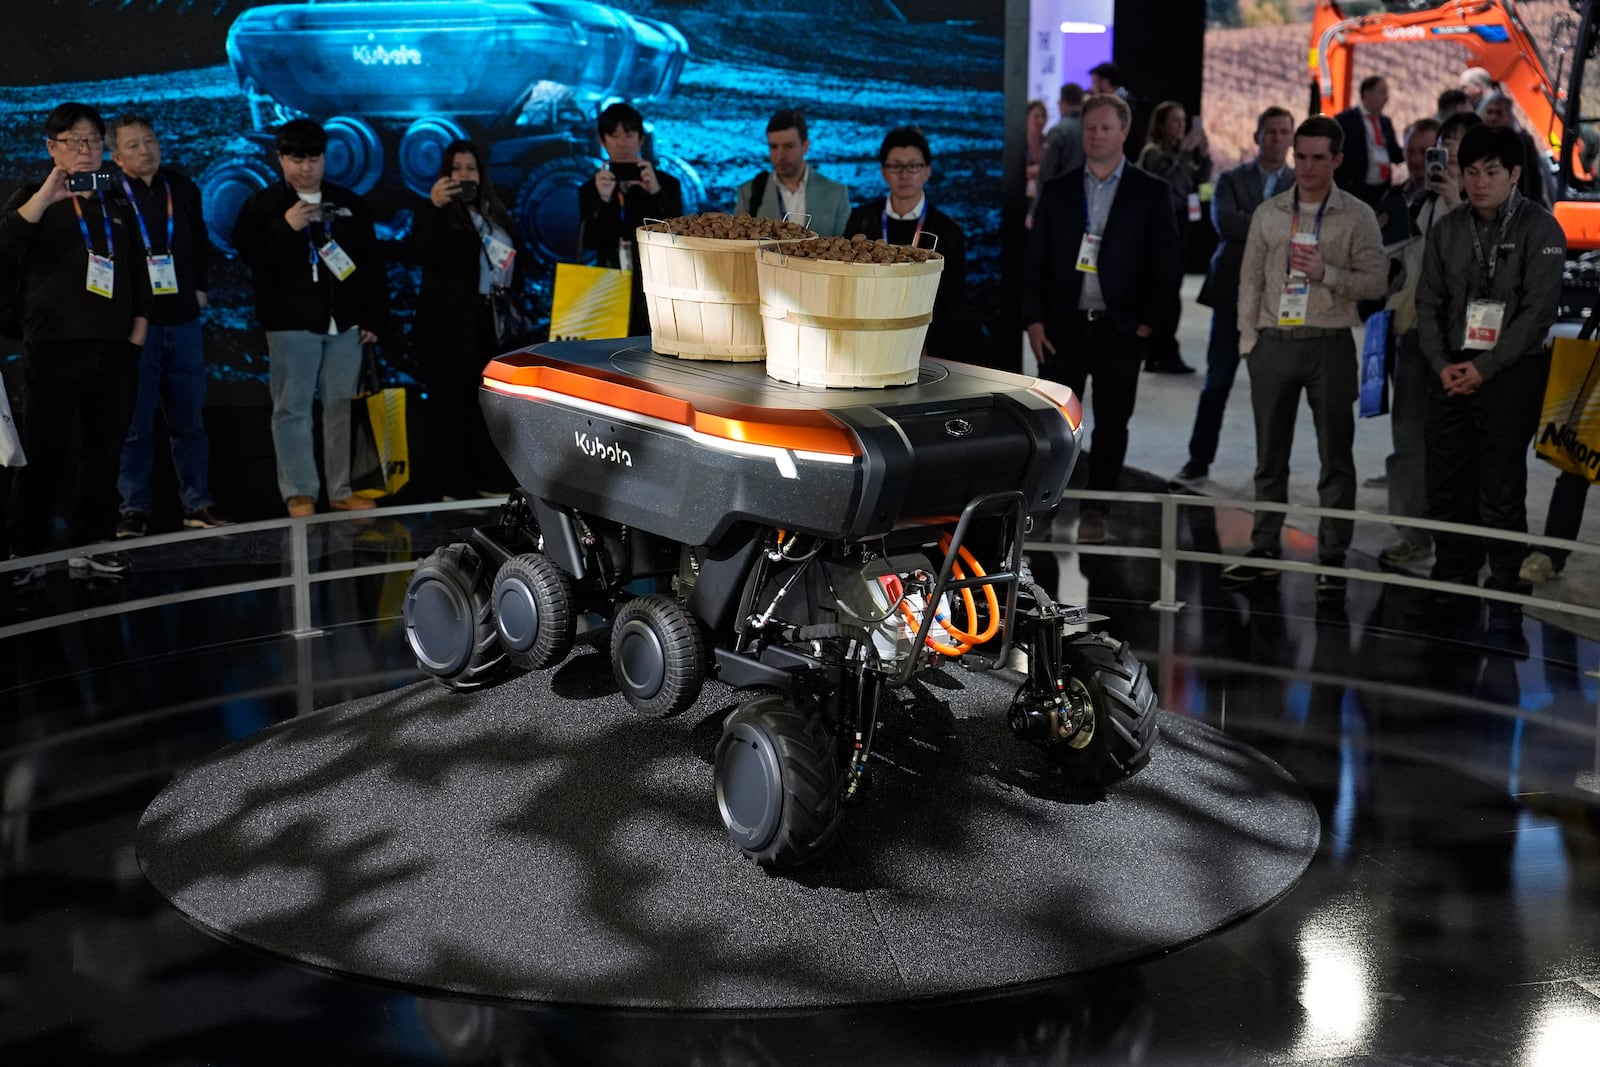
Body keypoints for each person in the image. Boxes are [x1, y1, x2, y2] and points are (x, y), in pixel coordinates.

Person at [1221, 115, 1388, 601]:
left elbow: (1376, 281)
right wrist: (1248, 342)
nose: (1308, 167)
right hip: (1273, 342)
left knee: (1335, 457)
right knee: (1268, 457)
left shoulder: (1356, 215)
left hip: (1330, 343)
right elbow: (1249, 279)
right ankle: (1264, 547)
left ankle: (1333, 555)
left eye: (1319, 158)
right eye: (1301, 157)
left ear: (1336, 159)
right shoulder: (1270, 212)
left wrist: (1328, 273)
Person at [1415, 124, 1566, 628]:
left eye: (1492, 172)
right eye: (1471, 172)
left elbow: (1536, 316)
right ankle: (1454, 570)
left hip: (1510, 372)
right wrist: (1442, 366)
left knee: (1500, 483)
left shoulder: (1541, 230)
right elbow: (1428, 303)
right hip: (1450, 369)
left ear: (1515, 174)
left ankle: (1505, 579)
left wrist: (1482, 368)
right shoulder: (1448, 229)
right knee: (1446, 478)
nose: (1479, 182)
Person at [1023, 92, 1181, 545]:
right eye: (1090, 128)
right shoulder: (1058, 189)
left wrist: (1148, 324)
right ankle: (1047, 507)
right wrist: (1033, 320)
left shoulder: (1150, 192)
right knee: (1054, 426)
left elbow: (1166, 265)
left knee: (1113, 426)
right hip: (1062, 328)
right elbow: (1035, 260)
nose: (1095, 136)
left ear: (1125, 132)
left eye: (1105, 128)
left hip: (1121, 329)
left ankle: (1098, 510)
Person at [1, 102, 148, 585]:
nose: (86, 151)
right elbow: (5, 244)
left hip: (113, 347)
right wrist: (44, 198)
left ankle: (94, 543)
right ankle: (26, 549)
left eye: (93, 142)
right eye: (74, 142)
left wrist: (141, 320)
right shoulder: (32, 196)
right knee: (42, 452)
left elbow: (136, 264)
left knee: (104, 452)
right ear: (52, 148)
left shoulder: (117, 197)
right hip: (54, 345)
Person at [231, 118, 388, 518]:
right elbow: (249, 253)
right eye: (296, 158)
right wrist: (286, 227)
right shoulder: (264, 204)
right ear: (280, 158)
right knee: (292, 409)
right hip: (290, 326)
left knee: (341, 407)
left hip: (345, 325)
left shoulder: (348, 203)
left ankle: (341, 488)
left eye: (313, 158)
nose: (306, 167)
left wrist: (373, 317)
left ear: (324, 157)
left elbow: (371, 265)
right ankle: (299, 492)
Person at [106, 114, 229, 539]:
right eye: (134, 145)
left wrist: (200, 289)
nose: (146, 150)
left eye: (151, 141)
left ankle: (198, 503)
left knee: (189, 420)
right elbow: (70, 184)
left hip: (183, 321)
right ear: (116, 155)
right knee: (135, 425)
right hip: (134, 328)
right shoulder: (106, 189)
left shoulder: (182, 186)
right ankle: (134, 508)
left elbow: (199, 241)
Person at [1374, 113, 1476, 567]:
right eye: (1444, 145)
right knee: (1409, 439)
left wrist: (1456, 199)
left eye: (1460, 146)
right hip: (1413, 335)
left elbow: (1478, 266)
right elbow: (1398, 267)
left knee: (1461, 445)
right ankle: (1414, 534)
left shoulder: (1492, 205)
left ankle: (1462, 544)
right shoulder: (1419, 201)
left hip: (1462, 345)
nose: (1449, 154)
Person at [1177, 106, 1295, 484]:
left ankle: (1271, 469)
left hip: (1278, 300)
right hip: (1230, 296)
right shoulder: (1230, 178)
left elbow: (1300, 232)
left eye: (1283, 132)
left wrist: (1255, 222)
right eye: (1270, 132)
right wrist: (1276, 226)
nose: (1276, 139)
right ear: (1257, 136)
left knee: (1273, 392)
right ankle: (1199, 459)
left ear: (1290, 138)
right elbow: (1225, 224)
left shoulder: (1300, 184)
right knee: (1217, 383)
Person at [412, 139, 526, 500]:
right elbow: (423, 254)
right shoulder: (436, 212)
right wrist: (435, 206)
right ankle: (454, 484)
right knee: (455, 406)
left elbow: (514, 261)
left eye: (470, 168)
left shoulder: (494, 211)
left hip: (494, 321)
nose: (464, 175)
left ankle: (486, 477)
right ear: (446, 173)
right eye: (457, 168)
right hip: (451, 325)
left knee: (488, 407)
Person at [844, 126, 968, 362]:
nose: (904, 174)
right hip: (868, 340)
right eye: (895, 166)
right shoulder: (861, 221)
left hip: (928, 346)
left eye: (913, 166)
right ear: (883, 172)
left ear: (927, 171)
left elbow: (955, 303)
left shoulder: (948, 230)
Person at [578, 101, 683, 337]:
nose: (622, 142)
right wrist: (602, 200)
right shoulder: (589, 188)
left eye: (629, 134)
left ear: (641, 139)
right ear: (602, 141)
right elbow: (591, 241)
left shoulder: (666, 184)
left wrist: (655, 192)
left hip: (656, 288)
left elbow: (680, 237)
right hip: (606, 287)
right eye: (613, 135)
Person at [1136, 100, 1211, 375]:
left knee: (1172, 288)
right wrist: (1184, 156)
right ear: (1162, 125)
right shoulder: (1153, 152)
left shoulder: (1183, 152)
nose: (1180, 127)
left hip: (1182, 221)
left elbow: (1199, 182)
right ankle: (1160, 349)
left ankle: (1162, 349)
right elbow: (1160, 182)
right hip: (1161, 223)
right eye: (1175, 122)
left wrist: (1203, 155)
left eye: (1183, 121)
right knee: (1165, 289)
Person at [733, 108, 849, 237]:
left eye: (788, 146)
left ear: (805, 146)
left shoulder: (836, 194)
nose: (780, 156)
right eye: (774, 147)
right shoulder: (748, 192)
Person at [1335, 76, 1403, 206]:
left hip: (1381, 189)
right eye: (1382, 93)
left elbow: (1393, 153)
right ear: (1367, 93)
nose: (1386, 98)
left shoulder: (1385, 122)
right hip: (1354, 190)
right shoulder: (1345, 120)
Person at [1480, 93, 1550, 207]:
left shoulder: (1522, 142)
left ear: (1508, 116)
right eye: (1489, 112)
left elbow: (1531, 179)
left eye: (1499, 113)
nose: (1493, 117)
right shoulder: (1477, 141)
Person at [1088, 61, 1145, 161]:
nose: (1091, 88)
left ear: (1104, 83)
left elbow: (1131, 142)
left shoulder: (1129, 106)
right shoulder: (1111, 104)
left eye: (1094, 83)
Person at [1035, 82, 1086, 191]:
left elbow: (1046, 172)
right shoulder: (1091, 128)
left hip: (1061, 196)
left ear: (1062, 102)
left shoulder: (1059, 130)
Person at [1024, 99, 1048, 200]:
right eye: (1036, 116)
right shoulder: (1019, 143)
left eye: (1043, 116)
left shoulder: (1049, 142)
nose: (1041, 120)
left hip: (1042, 196)